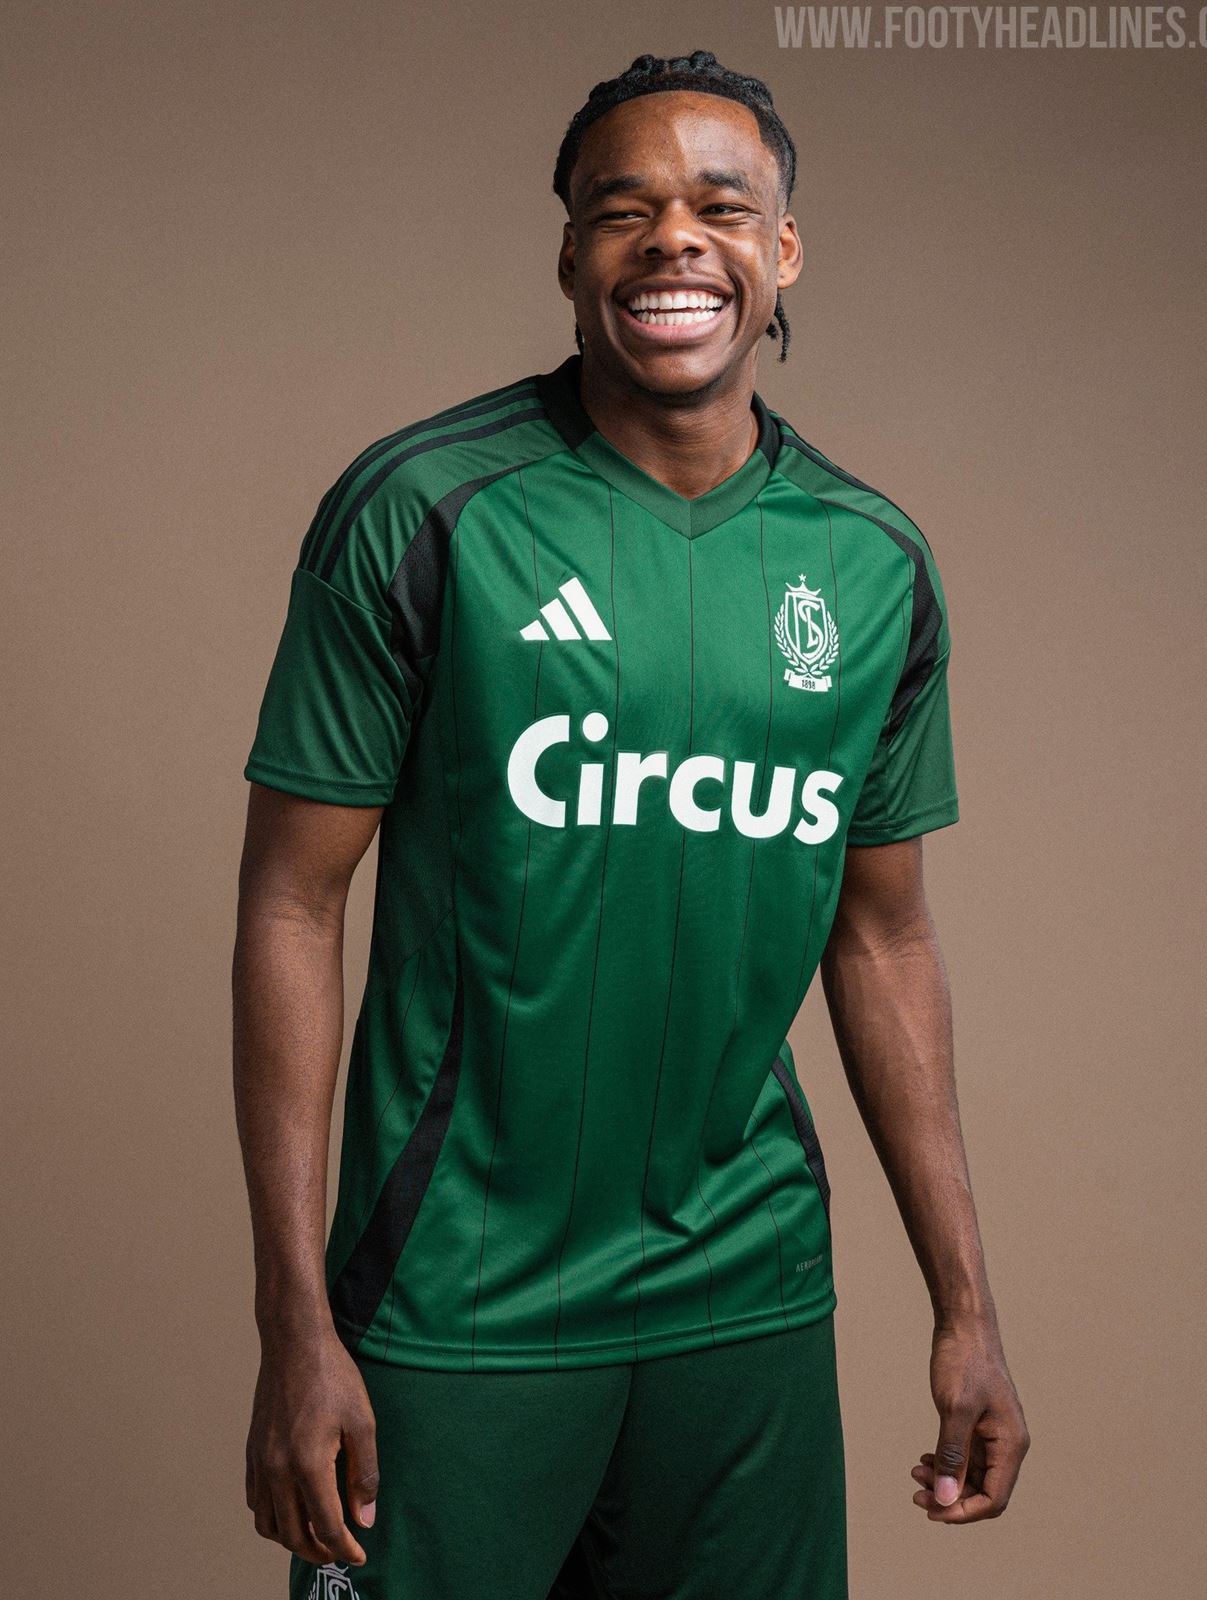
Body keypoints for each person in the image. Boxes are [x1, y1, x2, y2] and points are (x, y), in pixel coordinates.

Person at [233, 48, 1029, 1600]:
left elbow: (883, 937)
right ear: (570, 257)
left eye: (720, 207)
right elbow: (289, 906)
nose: (674, 237)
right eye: (624, 208)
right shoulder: (423, 510)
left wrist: (966, 1306)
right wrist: (294, 1323)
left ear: (781, 251)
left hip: (746, 1291)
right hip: (460, 1295)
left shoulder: (869, 563)